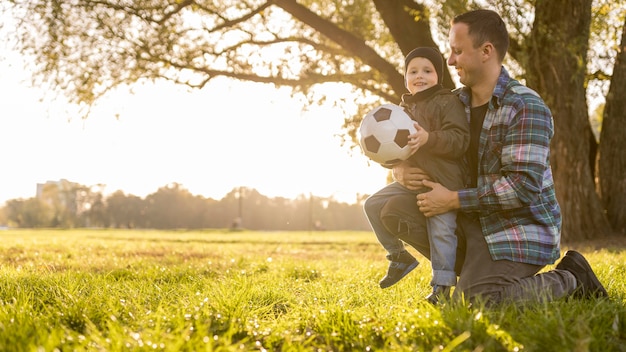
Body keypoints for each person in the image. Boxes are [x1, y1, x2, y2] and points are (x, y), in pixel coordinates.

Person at [385, 9, 608, 305]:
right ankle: (479, 270)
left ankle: (572, 277)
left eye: (457, 51)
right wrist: (400, 171)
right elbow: (416, 145)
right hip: (473, 221)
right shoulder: (451, 103)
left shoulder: (525, 106)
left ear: (486, 51)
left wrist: (453, 199)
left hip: (519, 229)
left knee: (477, 301)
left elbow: (522, 187)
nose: (450, 60)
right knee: (392, 208)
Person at [363, 47, 469, 304]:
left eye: (427, 70)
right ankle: (398, 257)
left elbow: (460, 140)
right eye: (413, 71)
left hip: (441, 183)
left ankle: (442, 289)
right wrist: (395, 168)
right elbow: (391, 150)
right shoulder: (400, 111)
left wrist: (429, 139)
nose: (419, 76)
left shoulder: (447, 101)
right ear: (405, 78)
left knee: (441, 231)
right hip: (413, 181)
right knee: (372, 204)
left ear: (438, 76)